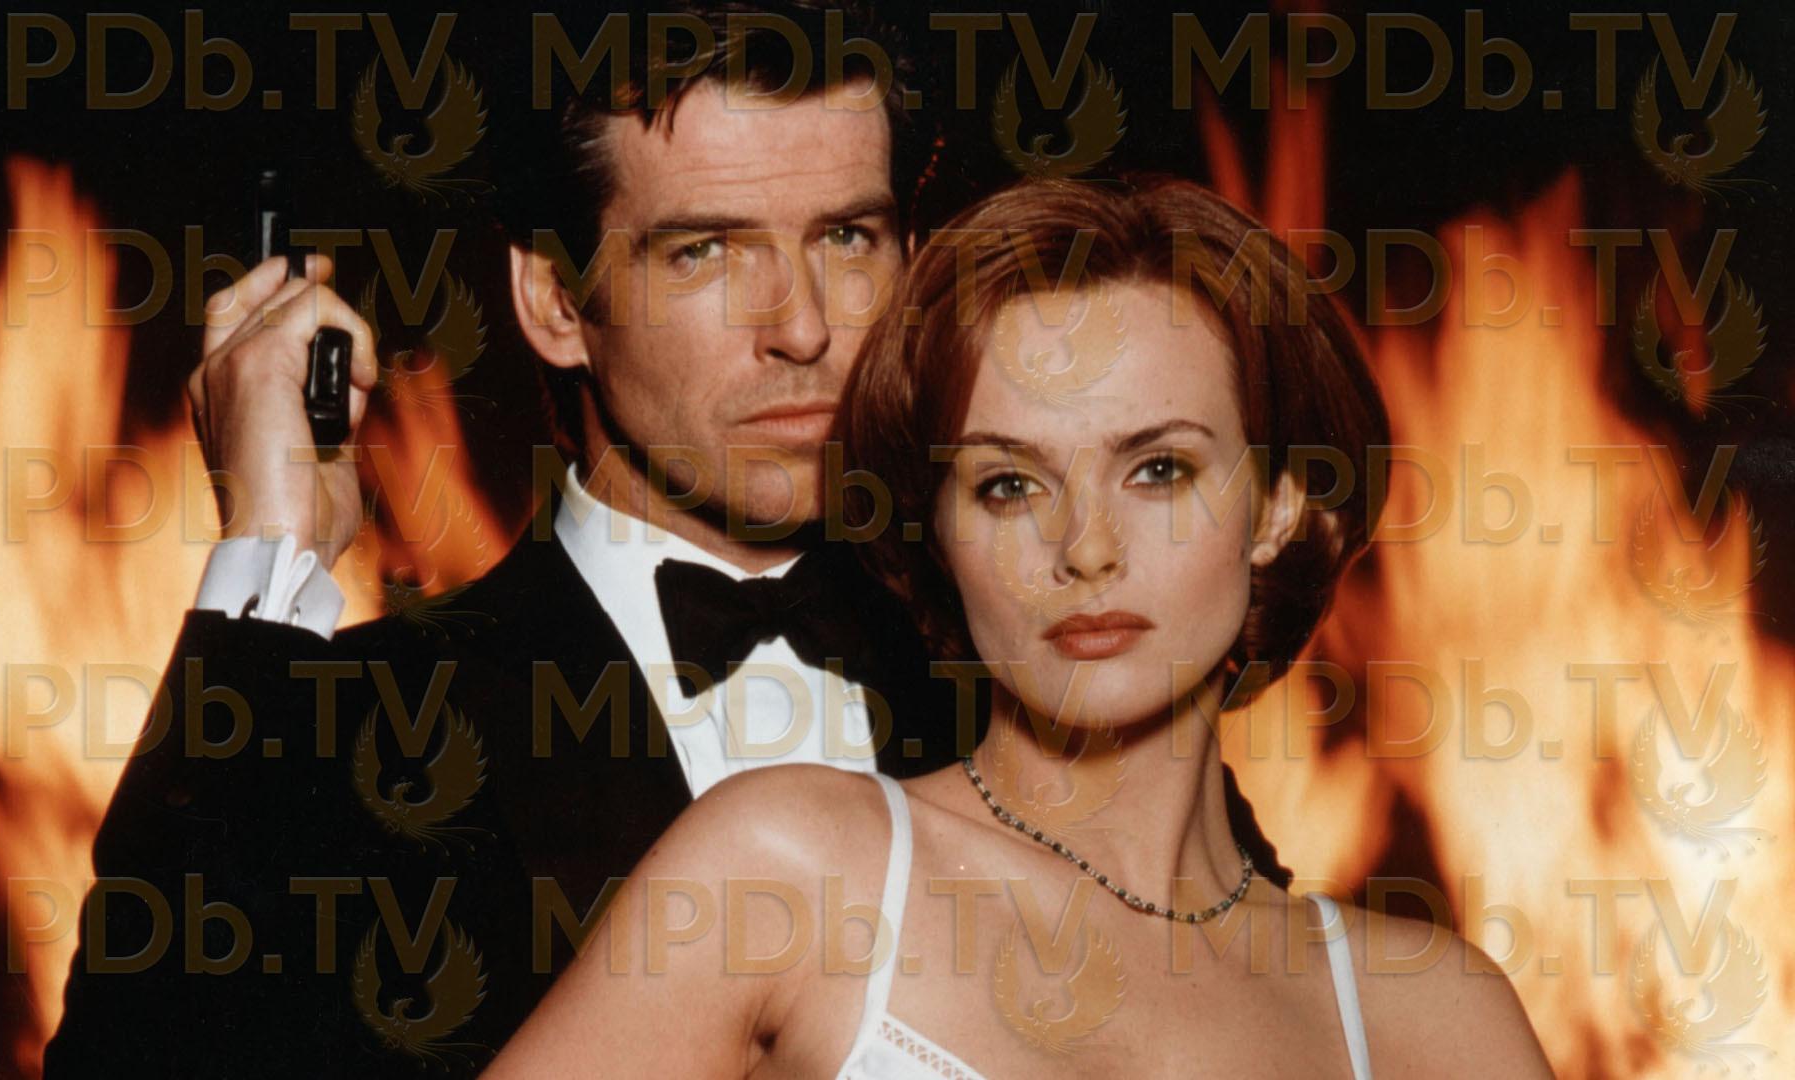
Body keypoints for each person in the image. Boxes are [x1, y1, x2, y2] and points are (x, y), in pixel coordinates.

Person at [44, 4, 966, 1076]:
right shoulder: (358, 732)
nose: (802, 327)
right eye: (706, 251)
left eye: (847, 238)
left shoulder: (1012, 670)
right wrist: (272, 542)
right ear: (555, 302)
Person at [486, 176, 1555, 1077]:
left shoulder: (1432, 1015)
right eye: (1008, 485)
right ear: (937, 533)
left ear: (1278, 507)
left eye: (1159, 470)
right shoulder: (789, 873)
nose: (1085, 548)